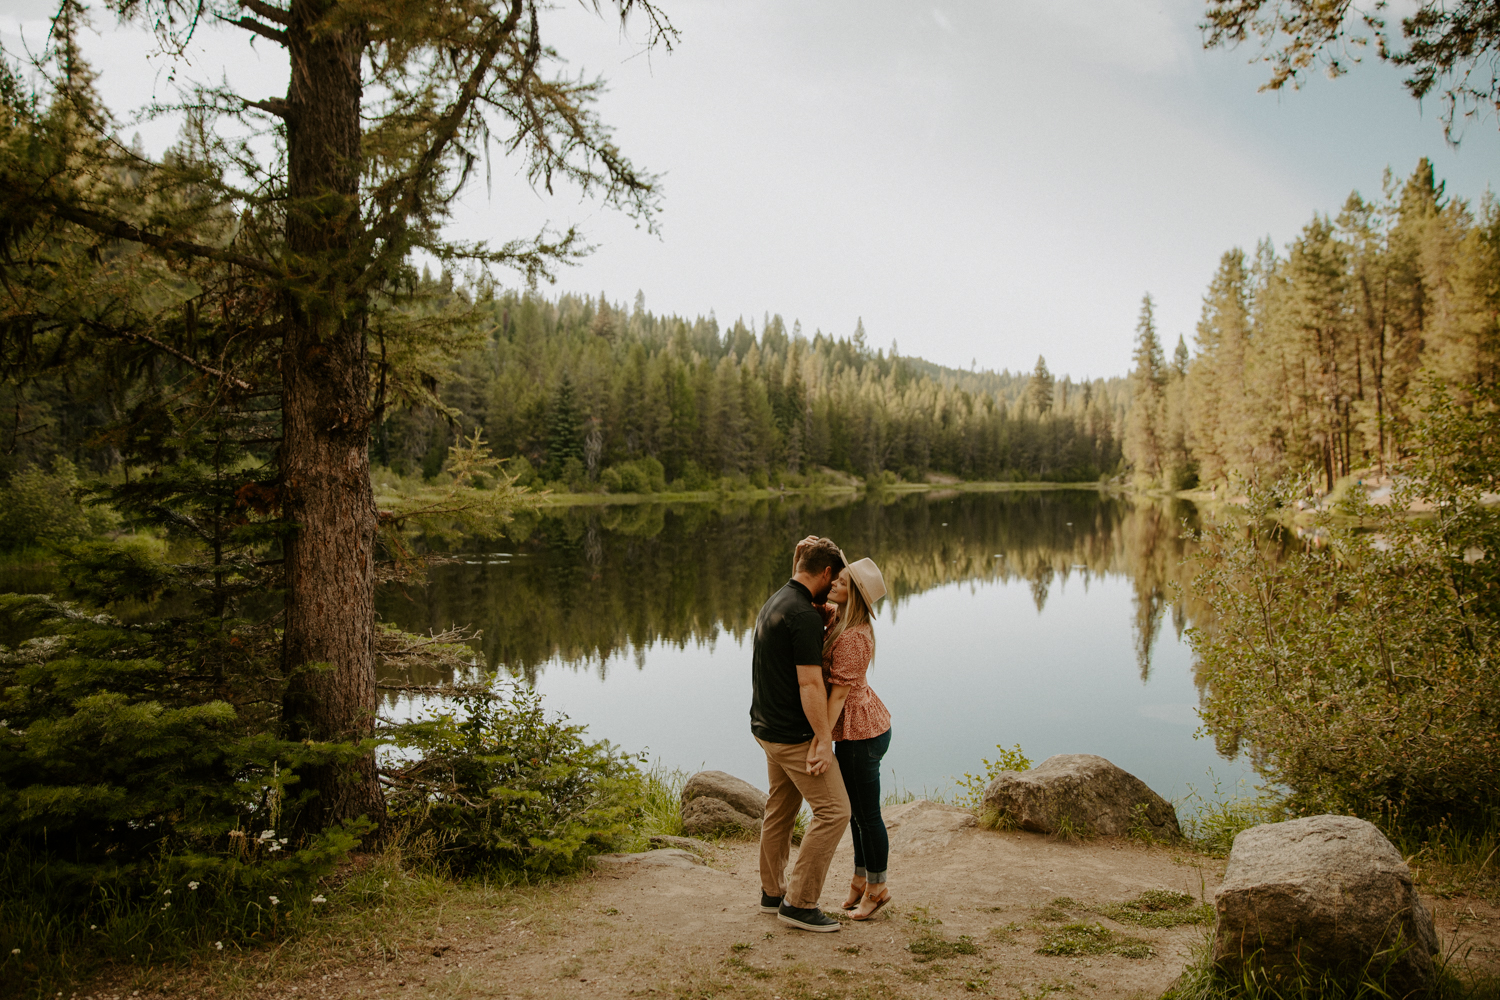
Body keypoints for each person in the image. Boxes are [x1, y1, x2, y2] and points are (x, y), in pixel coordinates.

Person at [750, 535, 852, 933]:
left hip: (765, 729)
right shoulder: (805, 617)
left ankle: (772, 893)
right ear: (826, 574)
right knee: (834, 811)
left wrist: (797, 557)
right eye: (835, 578)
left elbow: (802, 586)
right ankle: (799, 903)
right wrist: (823, 739)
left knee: (781, 809)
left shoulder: (780, 599)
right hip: (792, 737)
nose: (835, 586)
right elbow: (810, 685)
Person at [819, 556, 892, 920]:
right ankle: (860, 879)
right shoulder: (839, 618)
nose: (834, 583)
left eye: (843, 582)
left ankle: (878, 888)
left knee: (867, 817)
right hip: (857, 729)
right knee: (855, 816)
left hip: (860, 734)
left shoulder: (853, 637)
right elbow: (809, 595)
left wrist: (821, 740)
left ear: (856, 596)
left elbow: (838, 696)